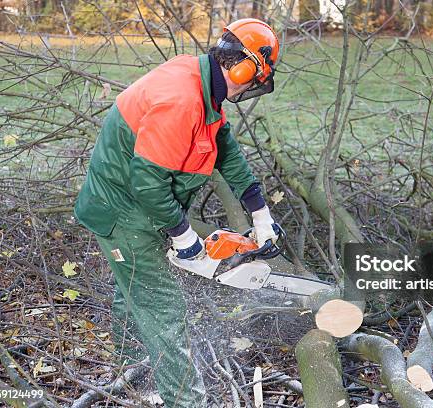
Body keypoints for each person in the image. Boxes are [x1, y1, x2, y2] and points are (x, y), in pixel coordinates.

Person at [73, 18, 280, 407]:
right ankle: (185, 400)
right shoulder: (183, 99)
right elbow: (148, 184)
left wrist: (259, 211)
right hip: (121, 212)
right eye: (255, 80)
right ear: (244, 68)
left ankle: (131, 373)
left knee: (133, 288)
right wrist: (185, 239)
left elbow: (227, 152)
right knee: (165, 308)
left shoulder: (204, 89)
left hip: (141, 206)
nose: (251, 88)